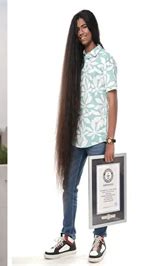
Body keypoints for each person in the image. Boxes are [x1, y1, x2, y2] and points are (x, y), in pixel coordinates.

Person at [44, 10, 118, 263]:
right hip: (75, 138)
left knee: (101, 188)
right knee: (69, 187)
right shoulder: (75, 62)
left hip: (98, 136)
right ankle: (68, 237)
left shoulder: (106, 59)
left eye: (85, 27)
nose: (81, 32)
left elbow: (112, 102)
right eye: (77, 29)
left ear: (93, 28)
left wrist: (110, 140)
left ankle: (100, 237)